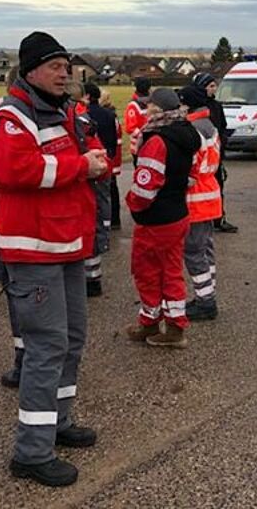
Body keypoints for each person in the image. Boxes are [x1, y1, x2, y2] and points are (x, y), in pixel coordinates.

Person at [0, 31, 108, 488]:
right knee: (46, 346)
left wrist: (94, 159)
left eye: (66, 67)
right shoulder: (12, 117)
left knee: (72, 339)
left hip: (66, 245)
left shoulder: (61, 111)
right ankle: (32, 452)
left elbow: (74, 160)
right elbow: (14, 170)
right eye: (55, 66)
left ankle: (58, 420)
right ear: (31, 70)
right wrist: (82, 166)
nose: (65, 74)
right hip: (34, 250)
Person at [125, 88, 201, 348]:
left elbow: (145, 188)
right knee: (171, 271)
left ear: (155, 109)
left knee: (147, 272)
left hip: (155, 219)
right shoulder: (187, 134)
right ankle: (172, 325)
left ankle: (152, 322)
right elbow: (192, 175)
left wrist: (134, 206)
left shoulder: (156, 140)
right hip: (177, 212)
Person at [179, 84, 222, 322]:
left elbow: (191, 167)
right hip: (210, 194)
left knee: (194, 251)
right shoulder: (209, 125)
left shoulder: (193, 130)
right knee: (206, 249)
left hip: (196, 197)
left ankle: (206, 301)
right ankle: (207, 292)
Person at [83, 83, 119, 297]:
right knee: (105, 201)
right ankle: (107, 230)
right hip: (106, 161)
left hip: (90, 170)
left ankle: (89, 276)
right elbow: (115, 137)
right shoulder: (108, 115)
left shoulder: (82, 120)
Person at [192, 73, 238, 233]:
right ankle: (203, 219)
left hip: (215, 155)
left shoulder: (216, 106)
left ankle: (219, 218)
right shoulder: (196, 107)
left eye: (214, 86)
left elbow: (222, 126)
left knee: (217, 187)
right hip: (200, 156)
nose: (214, 89)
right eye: (210, 86)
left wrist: (222, 141)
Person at [100, 90, 123, 230]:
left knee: (109, 189)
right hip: (114, 153)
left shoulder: (107, 115)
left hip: (110, 154)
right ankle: (115, 219)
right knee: (113, 188)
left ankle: (111, 219)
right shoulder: (112, 114)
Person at [124, 77, 151, 165]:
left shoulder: (150, 102)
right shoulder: (133, 105)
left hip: (151, 143)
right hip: (138, 145)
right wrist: (144, 136)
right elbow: (130, 127)